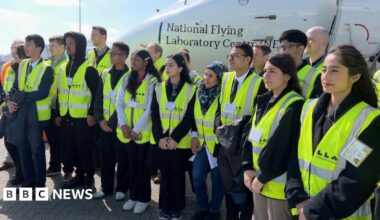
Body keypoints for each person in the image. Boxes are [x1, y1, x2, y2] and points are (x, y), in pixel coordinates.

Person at [286, 45, 380, 220]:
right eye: (324, 70)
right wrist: (297, 197)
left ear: (355, 76)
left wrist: (312, 209)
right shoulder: (308, 108)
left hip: (338, 214)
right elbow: (294, 155)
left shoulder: (369, 119)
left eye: (334, 71)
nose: (326, 77)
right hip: (303, 209)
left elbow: (357, 181)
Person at [242, 53, 304, 220]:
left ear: (287, 76)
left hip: (277, 187)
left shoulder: (295, 104)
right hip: (258, 182)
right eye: (265, 71)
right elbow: (249, 136)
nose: (265, 76)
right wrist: (247, 167)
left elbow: (282, 146)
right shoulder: (264, 100)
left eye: (272, 71)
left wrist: (261, 177)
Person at [219, 42, 265, 220]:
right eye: (230, 55)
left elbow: (259, 117)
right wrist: (219, 130)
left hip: (243, 146)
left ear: (248, 59)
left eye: (236, 55)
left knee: (244, 190)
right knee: (228, 185)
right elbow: (220, 107)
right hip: (225, 142)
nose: (231, 58)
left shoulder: (259, 82)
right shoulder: (226, 78)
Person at [151, 53, 196, 220]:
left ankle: (177, 208)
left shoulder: (191, 90)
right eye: (166, 65)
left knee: (177, 174)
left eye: (170, 65)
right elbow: (155, 115)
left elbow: (189, 118)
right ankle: (164, 207)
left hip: (180, 142)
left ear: (180, 68)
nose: (167, 68)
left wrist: (174, 138)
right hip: (163, 141)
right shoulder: (159, 88)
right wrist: (160, 138)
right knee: (165, 174)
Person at [116, 49, 161, 214]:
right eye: (132, 59)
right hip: (127, 132)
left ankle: (144, 198)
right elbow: (119, 103)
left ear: (146, 62)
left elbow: (150, 109)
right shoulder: (127, 78)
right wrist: (123, 125)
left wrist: (136, 129)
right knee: (131, 166)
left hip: (142, 134)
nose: (132, 62)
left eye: (136, 59)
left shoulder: (153, 81)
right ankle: (133, 196)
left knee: (142, 168)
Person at [8, 34, 54, 188]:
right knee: (23, 148)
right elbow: (14, 87)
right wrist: (13, 97)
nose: (25, 47)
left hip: (38, 116)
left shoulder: (47, 68)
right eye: (26, 44)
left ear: (38, 48)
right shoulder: (22, 65)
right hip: (22, 115)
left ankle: (39, 183)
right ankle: (28, 181)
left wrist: (21, 96)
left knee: (37, 149)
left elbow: (42, 93)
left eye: (29, 44)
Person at [57, 32, 99, 189]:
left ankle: (89, 177)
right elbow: (60, 92)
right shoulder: (62, 68)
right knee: (71, 149)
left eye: (71, 43)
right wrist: (58, 114)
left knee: (85, 150)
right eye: (66, 43)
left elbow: (96, 95)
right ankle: (78, 176)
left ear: (80, 46)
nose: (67, 46)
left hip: (83, 119)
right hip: (66, 117)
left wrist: (92, 114)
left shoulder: (89, 70)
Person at [92, 42, 131, 201]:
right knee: (106, 159)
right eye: (111, 53)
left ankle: (122, 188)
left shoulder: (131, 76)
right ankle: (106, 188)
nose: (110, 56)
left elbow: (125, 102)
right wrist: (100, 119)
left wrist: (111, 123)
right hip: (104, 125)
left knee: (122, 160)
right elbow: (98, 98)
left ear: (123, 57)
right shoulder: (105, 73)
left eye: (114, 53)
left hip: (120, 126)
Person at [191, 61, 227, 220]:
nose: (206, 78)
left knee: (217, 180)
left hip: (217, 146)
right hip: (201, 144)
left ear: (220, 78)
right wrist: (193, 137)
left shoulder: (224, 96)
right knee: (197, 176)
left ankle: (214, 210)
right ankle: (202, 206)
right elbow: (192, 118)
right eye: (205, 74)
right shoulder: (198, 92)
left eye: (210, 75)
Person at [0, 43, 28, 185]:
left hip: (18, 111)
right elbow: (3, 88)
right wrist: (7, 101)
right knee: (9, 142)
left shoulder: (25, 68)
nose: (15, 56)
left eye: (18, 53)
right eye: (13, 52)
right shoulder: (8, 67)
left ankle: (23, 174)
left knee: (19, 145)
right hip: (8, 110)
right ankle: (19, 171)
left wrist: (11, 103)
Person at [45, 35, 68, 177]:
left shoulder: (66, 64)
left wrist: (59, 112)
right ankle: (54, 166)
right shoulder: (48, 63)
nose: (50, 48)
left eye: (53, 45)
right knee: (52, 140)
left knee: (61, 140)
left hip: (61, 108)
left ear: (62, 47)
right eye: (50, 45)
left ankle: (61, 167)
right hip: (48, 107)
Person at [279, 29, 323, 99]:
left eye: (286, 47)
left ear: (300, 49)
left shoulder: (316, 76)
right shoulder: (276, 72)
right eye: (281, 47)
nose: (282, 51)